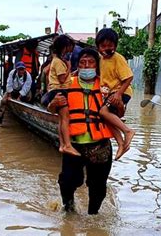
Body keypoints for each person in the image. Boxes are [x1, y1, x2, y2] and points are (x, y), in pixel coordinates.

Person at [52, 48, 114, 214]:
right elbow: (50, 108)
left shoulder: (105, 85)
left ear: (97, 65)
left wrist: (120, 103)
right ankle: (69, 209)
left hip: (99, 145)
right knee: (67, 181)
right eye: (82, 62)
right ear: (76, 65)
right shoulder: (66, 83)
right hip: (74, 145)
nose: (87, 66)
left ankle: (93, 216)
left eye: (91, 62)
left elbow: (118, 113)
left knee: (98, 187)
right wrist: (55, 102)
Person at [96, 28, 135, 160]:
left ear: (115, 45)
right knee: (106, 119)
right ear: (98, 47)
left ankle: (127, 131)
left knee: (103, 112)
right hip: (110, 93)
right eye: (103, 46)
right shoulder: (101, 60)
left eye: (110, 46)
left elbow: (129, 77)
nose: (107, 49)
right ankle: (121, 144)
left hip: (121, 91)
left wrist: (118, 94)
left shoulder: (118, 58)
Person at [42, 35, 80, 157]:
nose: (69, 51)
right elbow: (62, 79)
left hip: (57, 90)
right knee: (65, 118)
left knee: (61, 119)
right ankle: (67, 145)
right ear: (63, 48)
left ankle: (62, 145)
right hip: (59, 91)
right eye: (68, 48)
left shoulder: (58, 60)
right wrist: (69, 67)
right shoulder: (58, 62)